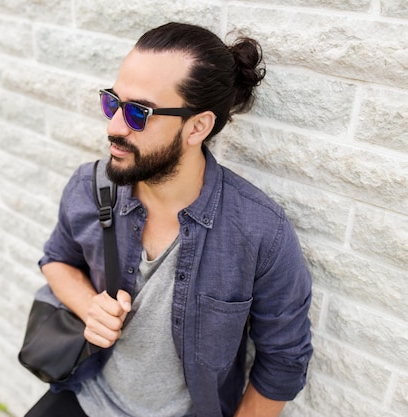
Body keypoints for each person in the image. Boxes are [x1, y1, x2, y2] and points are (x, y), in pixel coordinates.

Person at [25, 22, 313, 417]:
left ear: (197, 126)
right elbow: (56, 258)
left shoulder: (260, 231)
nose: (114, 126)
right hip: (86, 393)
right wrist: (89, 305)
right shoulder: (90, 186)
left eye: (139, 112)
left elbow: (284, 360)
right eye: (113, 102)